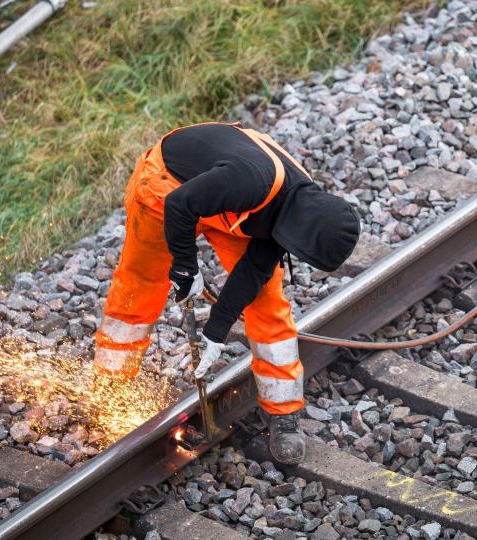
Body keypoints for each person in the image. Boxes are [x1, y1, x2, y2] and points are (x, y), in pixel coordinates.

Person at [93, 122, 360, 464]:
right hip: (168, 185)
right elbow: (179, 205)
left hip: (231, 204)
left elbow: (253, 273)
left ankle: (284, 412)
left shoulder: (300, 211)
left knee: (268, 305)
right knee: (140, 287)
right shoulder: (250, 181)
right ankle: (111, 385)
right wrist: (186, 267)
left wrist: (215, 331)